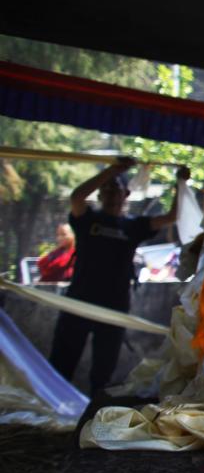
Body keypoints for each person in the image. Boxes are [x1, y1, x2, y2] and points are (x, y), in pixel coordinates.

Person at [48, 158, 189, 392]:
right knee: (61, 363)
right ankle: (51, 407)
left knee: (103, 369)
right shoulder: (87, 219)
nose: (112, 193)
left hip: (114, 306)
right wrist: (112, 171)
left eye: (116, 188)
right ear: (100, 194)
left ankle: (93, 412)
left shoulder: (134, 226)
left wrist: (181, 183)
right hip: (79, 301)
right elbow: (77, 197)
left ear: (126, 194)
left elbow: (172, 216)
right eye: (107, 189)